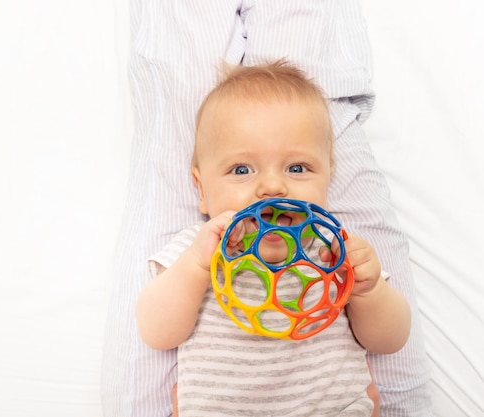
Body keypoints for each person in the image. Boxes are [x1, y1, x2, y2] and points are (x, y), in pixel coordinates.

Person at [101, 1, 432, 416]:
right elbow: (156, 332)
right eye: (241, 169)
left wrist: (371, 292)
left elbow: (390, 341)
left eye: (297, 167)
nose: (272, 186)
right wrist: (193, 268)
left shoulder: (335, 252)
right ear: (202, 192)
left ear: (329, 177)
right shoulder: (199, 250)